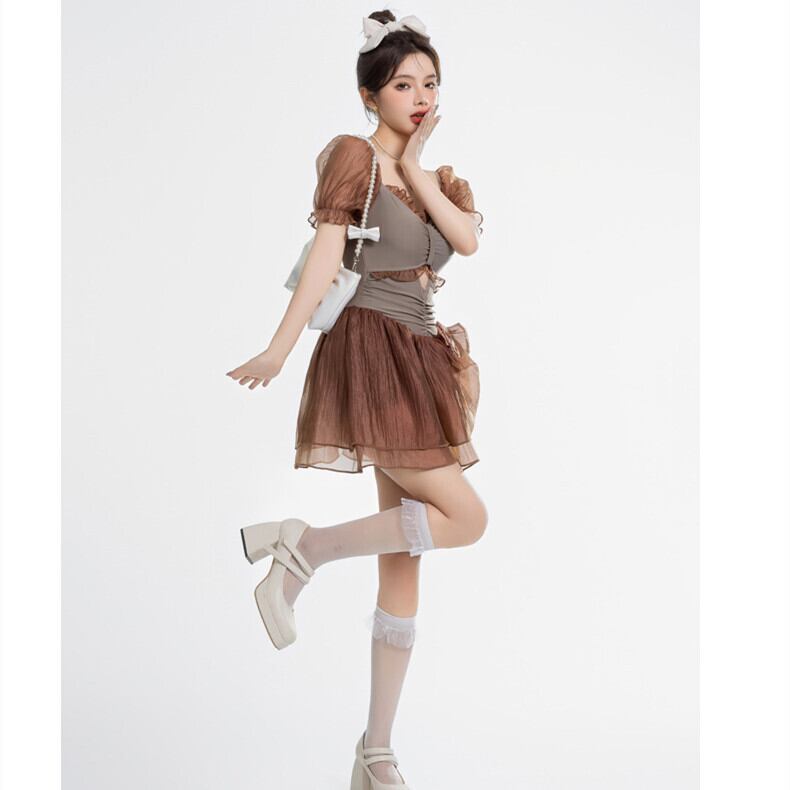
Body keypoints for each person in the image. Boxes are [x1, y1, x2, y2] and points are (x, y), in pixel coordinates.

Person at [226, 11, 487, 788]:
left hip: (422, 362)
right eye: (403, 85)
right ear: (370, 94)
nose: (420, 96)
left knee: (404, 565)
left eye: (430, 83)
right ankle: (303, 548)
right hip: (373, 351)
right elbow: (324, 260)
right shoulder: (353, 158)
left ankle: (376, 753)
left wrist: (419, 164)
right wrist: (280, 346)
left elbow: (467, 241)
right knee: (467, 519)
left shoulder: (438, 180)